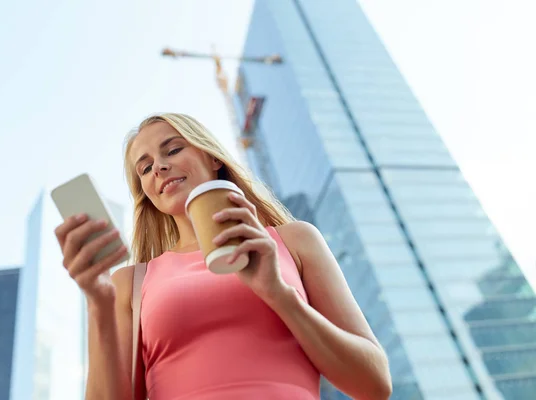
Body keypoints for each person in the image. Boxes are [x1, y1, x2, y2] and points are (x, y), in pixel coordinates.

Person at [54, 113, 392, 400]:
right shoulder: (129, 282)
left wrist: (279, 294)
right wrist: (98, 302)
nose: (159, 167)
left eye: (172, 149)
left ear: (213, 157)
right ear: (147, 193)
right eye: (144, 168)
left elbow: (374, 384)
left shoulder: (294, 240)